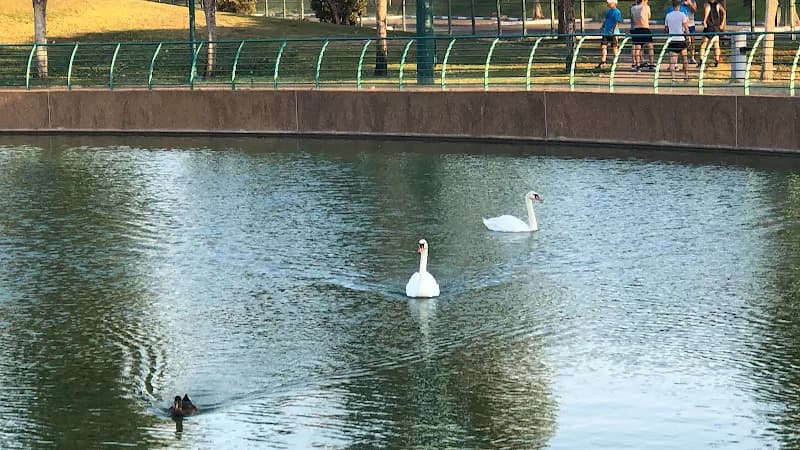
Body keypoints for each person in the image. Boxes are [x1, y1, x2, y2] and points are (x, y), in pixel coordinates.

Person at [665, 0, 690, 81]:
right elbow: (686, 28)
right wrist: (688, 37)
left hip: (672, 40)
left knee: (672, 61)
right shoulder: (682, 15)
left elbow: (666, 29)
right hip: (681, 40)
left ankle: (673, 78)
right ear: (680, 6)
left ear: (672, 6)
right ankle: (686, 76)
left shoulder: (668, 15)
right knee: (685, 59)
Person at [698, 0, 726, 67]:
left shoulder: (707, 4)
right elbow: (724, 13)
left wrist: (704, 21)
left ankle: (701, 60)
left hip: (709, 27)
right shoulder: (718, 4)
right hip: (716, 27)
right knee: (716, 44)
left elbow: (706, 13)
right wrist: (722, 23)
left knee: (703, 44)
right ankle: (716, 60)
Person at [597, 0, 623, 69]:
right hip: (606, 32)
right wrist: (602, 27)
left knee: (614, 47)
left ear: (614, 3)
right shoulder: (608, 11)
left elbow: (616, 22)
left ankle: (615, 62)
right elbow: (606, 20)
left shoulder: (617, 12)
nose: (608, 4)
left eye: (610, 3)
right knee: (603, 46)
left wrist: (614, 32)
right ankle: (603, 61)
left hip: (613, 33)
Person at [630, 0, 655, 71]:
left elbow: (633, 16)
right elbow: (649, 16)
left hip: (636, 29)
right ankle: (651, 64)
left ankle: (638, 65)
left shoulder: (633, 8)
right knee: (650, 46)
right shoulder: (646, 7)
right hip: (645, 28)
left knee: (638, 47)